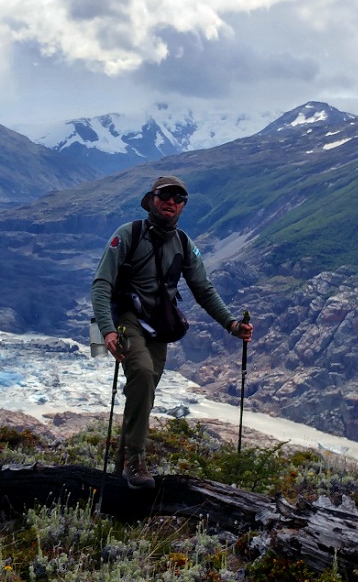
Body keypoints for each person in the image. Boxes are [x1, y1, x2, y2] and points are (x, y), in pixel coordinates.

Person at [91, 175, 253, 489]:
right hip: (126, 319)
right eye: (166, 195)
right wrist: (107, 331)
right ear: (152, 198)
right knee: (141, 371)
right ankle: (136, 461)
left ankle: (121, 474)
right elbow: (101, 285)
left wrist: (232, 325)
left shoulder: (183, 244)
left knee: (144, 390)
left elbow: (203, 290)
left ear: (183, 205)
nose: (172, 201)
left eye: (179, 198)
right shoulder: (128, 235)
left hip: (160, 325)